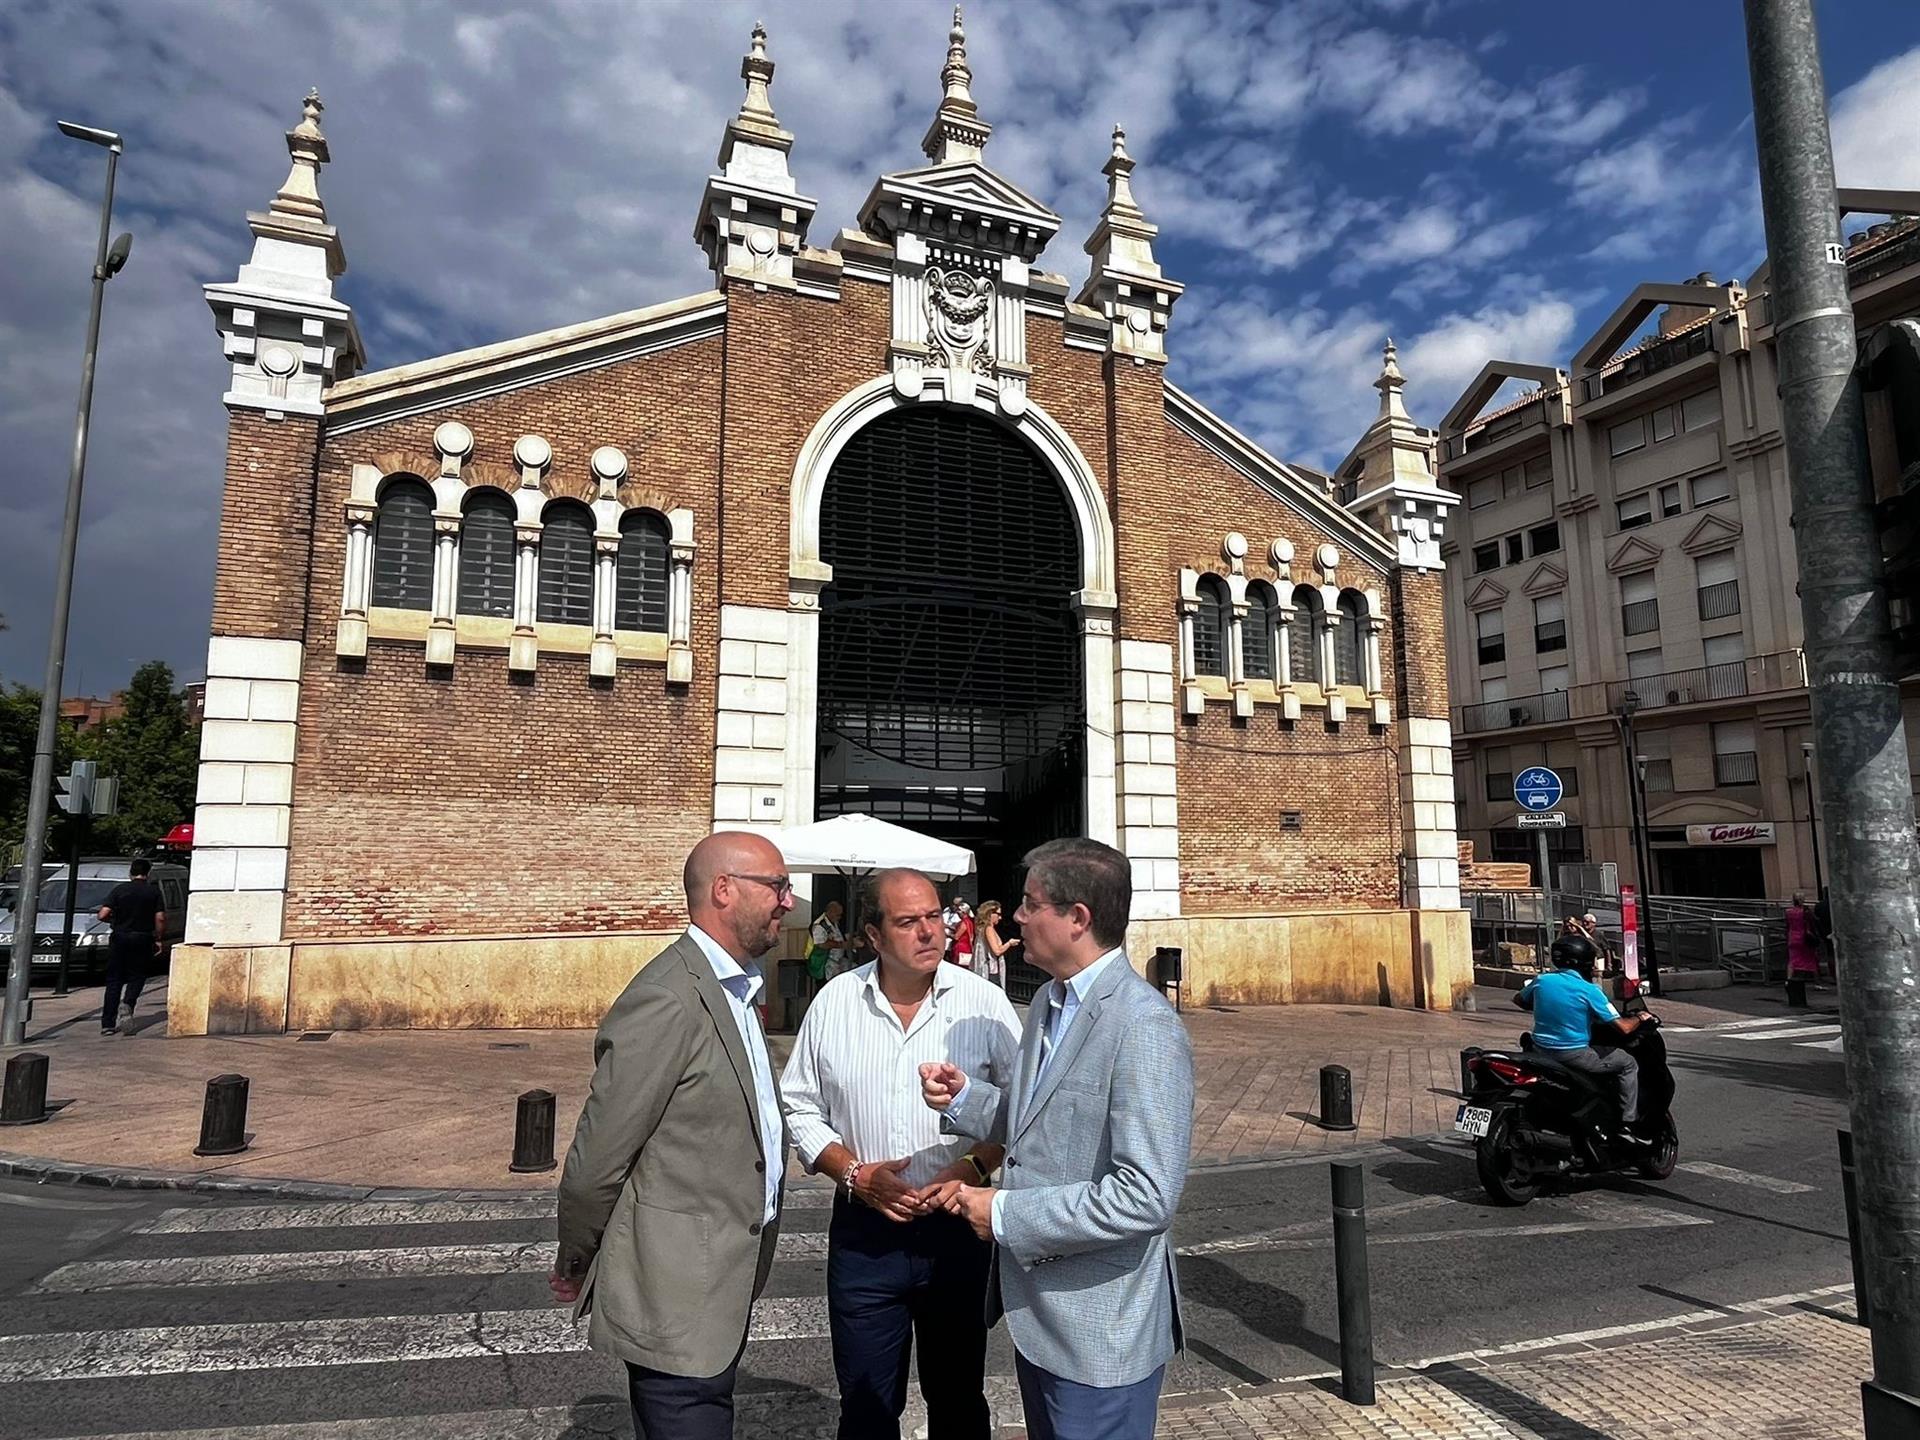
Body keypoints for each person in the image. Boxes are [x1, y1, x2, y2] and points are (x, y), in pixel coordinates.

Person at [919, 837, 1194, 1440]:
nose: (1016, 917)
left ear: (1077, 919)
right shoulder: (1047, 1000)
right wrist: (965, 1097)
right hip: (1040, 1318)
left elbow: (1145, 1197)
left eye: (1029, 903)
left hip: (1100, 1331)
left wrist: (1006, 1213)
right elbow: (1038, 1120)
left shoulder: (1145, 1027)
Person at [552, 831, 791, 1440]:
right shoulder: (667, 996)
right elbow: (599, 1157)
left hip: (715, 1280)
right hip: (674, 1287)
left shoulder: (734, 987)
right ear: (723, 890)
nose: (789, 901)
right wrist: (579, 1253)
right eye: (777, 886)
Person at [782, 867, 1020, 1440]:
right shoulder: (835, 1002)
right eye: (907, 921)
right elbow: (798, 1106)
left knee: (959, 1401)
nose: (928, 932)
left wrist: (971, 1166)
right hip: (866, 1238)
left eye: (934, 916)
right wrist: (856, 1174)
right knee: (866, 1408)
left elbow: (1027, 1113)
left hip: (957, 1232)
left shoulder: (984, 1006)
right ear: (873, 935)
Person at [1514, 934, 1653, 1136]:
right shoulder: (1589, 990)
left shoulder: (1542, 981)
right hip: (1573, 1054)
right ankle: (1628, 1124)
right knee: (1628, 1063)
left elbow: (1519, 999)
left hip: (1539, 1050)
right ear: (1584, 962)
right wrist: (1641, 1017)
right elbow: (1623, 1027)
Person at [97, 859, 164, 1035]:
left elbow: (102, 914)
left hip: (120, 937)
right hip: (142, 937)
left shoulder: (119, 890)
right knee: (137, 976)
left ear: (130, 873)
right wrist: (158, 938)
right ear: (148, 873)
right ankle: (128, 1003)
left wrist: (114, 921)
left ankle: (107, 1024)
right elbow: (160, 918)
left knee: (114, 980)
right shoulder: (153, 892)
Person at [974, 900, 1020, 989]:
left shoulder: (984, 928)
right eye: (998, 914)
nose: (1000, 918)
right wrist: (1009, 943)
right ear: (990, 914)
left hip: (988, 968)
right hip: (991, 969)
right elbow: (997, 951)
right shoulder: (988, 929)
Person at [1785, 892, 1820, 1001]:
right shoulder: (1805, 911)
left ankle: (1789, 980)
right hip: (1804, 937)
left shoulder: (1788, 912)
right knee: (1811, 959)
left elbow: (1787, 925)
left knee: (1792, 961)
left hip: (1792, 936)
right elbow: (1814, 921)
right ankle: (1817, 982)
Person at [810, 899, 849, 983]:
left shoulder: (834, 922)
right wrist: (843, 945)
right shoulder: (820, 925)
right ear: (830, 912)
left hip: (839, 960)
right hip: (827, 963)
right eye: (838, 915)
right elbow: (821, 944)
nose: (840, 917)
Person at [949, 900, 976, 970]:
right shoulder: (969, 921)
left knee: (959, 969)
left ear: (963, 912)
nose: (957, 912)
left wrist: (948, 934)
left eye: (959, 910)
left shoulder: (964, 922)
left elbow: (956, 937)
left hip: (961, 949)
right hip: (967, 947)